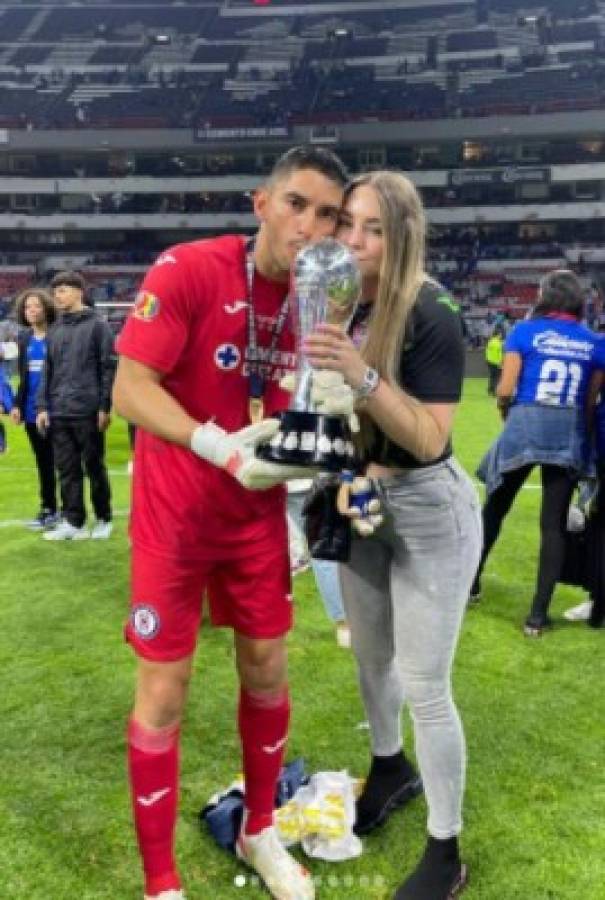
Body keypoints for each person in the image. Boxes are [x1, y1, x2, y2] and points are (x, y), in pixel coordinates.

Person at [112, 146, 349, 900]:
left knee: (268, 671)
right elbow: (129, 388)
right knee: (164, 695)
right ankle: (160, 884)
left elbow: (306, 409)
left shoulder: (323, 299)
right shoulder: (188, 269)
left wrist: (315, 436)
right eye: (297, 205)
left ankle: (258, 831)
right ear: (261, 203)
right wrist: (212, 443)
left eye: (328, 216)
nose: (310, 226)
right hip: (175, 522)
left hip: (254, 521)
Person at [304, 171, 481, 900]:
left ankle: (445, 852)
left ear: (402, 233)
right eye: (347, 222)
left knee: (424, 684)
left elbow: (432, 439)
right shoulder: (341, 299)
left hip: (428, 508)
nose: (353, 240)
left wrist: (363, 375)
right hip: (361, 497)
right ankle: (388, 767)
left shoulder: (430, 308)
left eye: (372, 228)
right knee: (370, 659)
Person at [470, 269, 605, 636]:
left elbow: (505, 389)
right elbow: (591, 403)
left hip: (525, 425)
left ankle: (470, 585)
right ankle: (537, 617)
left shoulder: (525, 332)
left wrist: (506, 415)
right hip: (568, 432)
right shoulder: (595, 343)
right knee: (553, 525)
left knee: (495, 508)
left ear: (545, 297)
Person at [36, 271, 114, 541]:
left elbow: (107, 367)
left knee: (94, 466)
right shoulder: (55, 328)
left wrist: (105, 406)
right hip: (59, 410)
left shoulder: (98, 325)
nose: (58, 295)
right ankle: (74, 521)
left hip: (88, 409)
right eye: (55, 291)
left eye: (64, 290)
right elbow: (49, 370)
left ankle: (104, 517)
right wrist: (43, 406)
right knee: (67, 469)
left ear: (79, 292)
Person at [11, 287, 59, 529]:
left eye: (37, 306)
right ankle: (49, 508)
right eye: (28, 307)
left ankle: (71, 513)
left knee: (64, 463)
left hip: (56, 409)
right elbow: (24, 376)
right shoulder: (25, 339)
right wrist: (17, 406)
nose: (32, 310)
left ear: (47, 308)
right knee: (43, 462)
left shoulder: (58, 336)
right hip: (30, 411)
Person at [484, 326, 504, 395]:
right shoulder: (499, 343)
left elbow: (486, 351)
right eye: (500, 334)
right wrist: (501, 363)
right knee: (497, 377)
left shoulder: (490, 341)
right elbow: (500, 354)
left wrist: (487, 359)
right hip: (496, 362)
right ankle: (495, 391)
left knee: (492, 376)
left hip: (489, 361)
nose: (501, 335)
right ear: (498, 334)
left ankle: (490, 389)